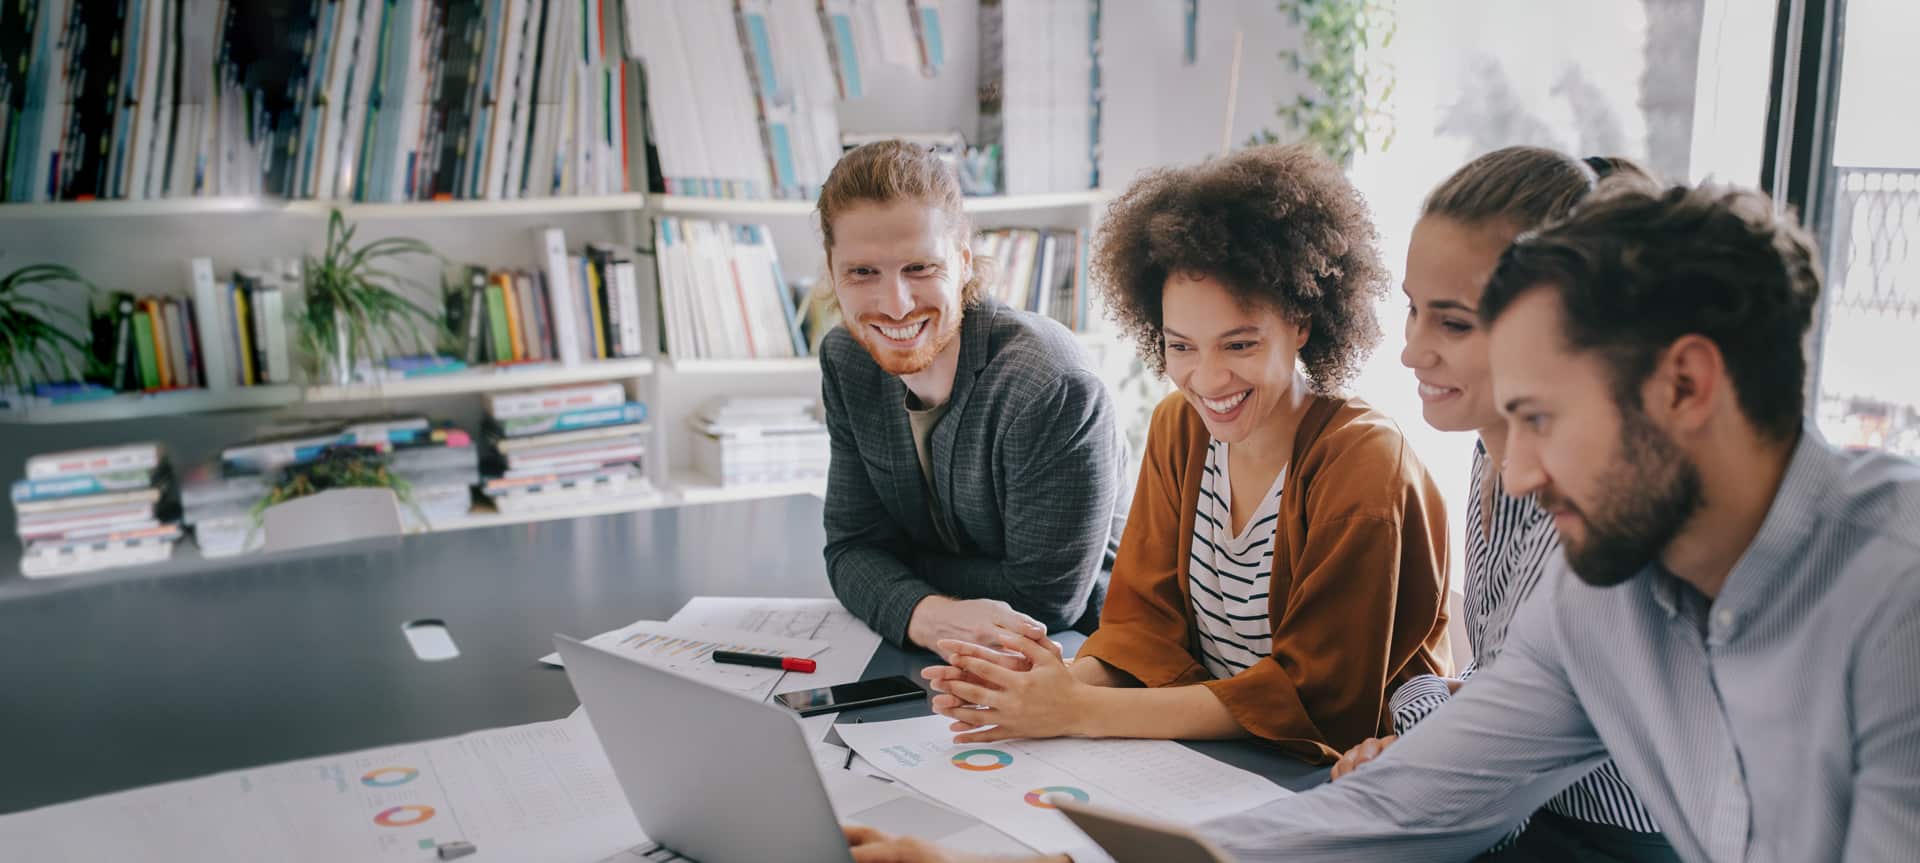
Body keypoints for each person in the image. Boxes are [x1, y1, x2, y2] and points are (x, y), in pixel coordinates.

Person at [841, 182, 1920, 863]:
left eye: (1539, 418)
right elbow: (1389, 812)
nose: (1521, 474)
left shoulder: (1893, 610)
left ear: (1686, 384)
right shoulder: (1599, 600)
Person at [918, 143, 1453, 753]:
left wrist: (1079, 708)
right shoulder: (1180, 426)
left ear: (1301, 322)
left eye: (1240, 345)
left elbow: (1315, 700)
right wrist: (1047, 684)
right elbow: (1143, 626)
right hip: (1211, 756)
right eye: (1182, 346)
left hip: (1339, 773)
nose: (1208, 380)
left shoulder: (1362, 464)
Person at [1329, 147, 1676, 861]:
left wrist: (1420, 731)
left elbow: (1507, 766)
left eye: (1454, 324)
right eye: (1414, 311)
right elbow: (1503, 685)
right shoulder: (1494, 451)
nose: (1411, 352)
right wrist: (1426, 717)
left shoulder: (1603, 507)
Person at [818, 140, 1131, 654]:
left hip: (1078, 659)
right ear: (832, 273)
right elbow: (851, 548)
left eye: (919, 268)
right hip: (941, 654)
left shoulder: (1049, 384)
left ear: (963, 263)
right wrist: (924, 614)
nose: (895, 305)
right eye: (863, 272)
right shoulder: (846, 360)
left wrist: (890, 570)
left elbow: (1048, 601)